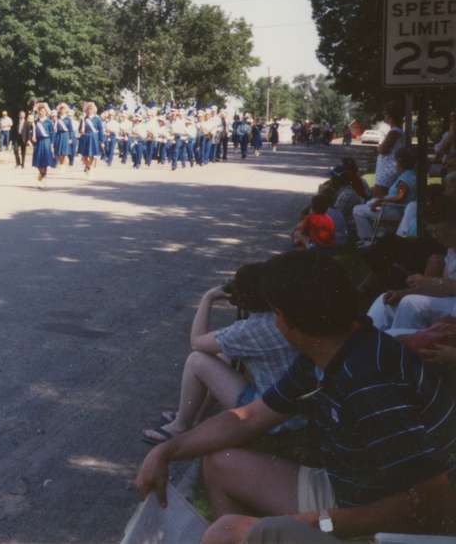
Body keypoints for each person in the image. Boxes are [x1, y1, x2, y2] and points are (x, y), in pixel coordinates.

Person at [134, 250, 456, 544]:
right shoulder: (334, 349)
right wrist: (167, 450)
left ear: (287, 320)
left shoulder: (369, 385)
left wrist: (318, 524)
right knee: (220, 463)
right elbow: (251, 417)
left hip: (399, 527)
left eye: (275, 312)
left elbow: (430, 503)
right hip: (354, 493)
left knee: (226, 532)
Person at [141, 263, 301, 445]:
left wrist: (207, 298)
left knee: (197, 361)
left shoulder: (252, 330)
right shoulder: (280, 315)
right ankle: (193, 415)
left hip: (272, 419)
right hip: (290, 409)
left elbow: (197, 342)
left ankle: (180, 426)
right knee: (222, 357)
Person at [368, 199, 456, 335]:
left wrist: (430, 282)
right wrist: (401, 293)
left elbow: (444, 287)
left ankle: (400, 348)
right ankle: (364, 339)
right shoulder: (451, 251)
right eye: (431, 231)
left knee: (410, 303)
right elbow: (444, 290)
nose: (434, 236)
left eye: (436, 230)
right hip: (448, 301)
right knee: (385, 301)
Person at [353, 147, 417, 241]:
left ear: (400, 161)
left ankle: (366, 238)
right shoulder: (411, 174)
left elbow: (400, 196)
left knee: (357, 210)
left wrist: (381, 200)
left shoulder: (405, 178)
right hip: (397, 208)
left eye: (395, 160)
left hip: (395, 210)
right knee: (367, 205)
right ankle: (376, 235)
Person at [373, 102, 405, 198]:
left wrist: (379, 147)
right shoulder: (396, 131)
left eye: (385, 114)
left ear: (390, 116)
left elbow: (382, 149)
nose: (384, 117)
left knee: (378, 196)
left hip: (387, 171)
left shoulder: (394, 132)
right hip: (389, 169)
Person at [30, 102, 55, 188]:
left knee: (45, 161)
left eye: (43, 111)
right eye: (40, 111)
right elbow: (33, 132)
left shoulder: (49, 122)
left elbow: (52, 133)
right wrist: (32, 137)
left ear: (46, 112)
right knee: (38, 160)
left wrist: (52, 144)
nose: (41, 112)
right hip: (38, 142)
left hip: (46, 141)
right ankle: (41, 174)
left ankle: (43, 178)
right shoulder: (36, 122)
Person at [77, 102, 102, 176]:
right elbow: (79, 129)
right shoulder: (83, 119)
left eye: (91, 109)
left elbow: (100, 130)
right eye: (88, 109)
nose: (89, 111)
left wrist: (101, 140)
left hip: (93, 137)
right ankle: (87, 165)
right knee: (84, 155)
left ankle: (89, 167)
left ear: (94, 110)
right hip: (85, 137)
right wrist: (81, 130)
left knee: (91, 155)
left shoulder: (97, 119)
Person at [53, 103, 74, 170]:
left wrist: (70, 138)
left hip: (65, 135)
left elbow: (70, 129)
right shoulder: (57, 118)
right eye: (61, 109)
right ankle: (61, 162)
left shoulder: (68, 119)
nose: (62, 110)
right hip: (59, 135)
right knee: (59, 151)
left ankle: (62, 165)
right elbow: (55, 128)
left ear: (66, 110)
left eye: (64, 109)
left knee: (64, 152)